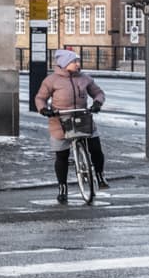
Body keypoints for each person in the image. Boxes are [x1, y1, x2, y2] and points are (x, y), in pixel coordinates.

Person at [34, 47, 107, 204]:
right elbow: (40, 98)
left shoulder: (84, 78)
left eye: (78, 61)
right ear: (65, 63)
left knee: (96, 148)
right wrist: (44, 110)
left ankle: (100, 176)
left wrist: (97, 103)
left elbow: (99, 93)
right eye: (74, 61)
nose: (78, 64)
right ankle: (62, 187)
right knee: (61, 156)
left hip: (83, 118)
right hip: (60, 121)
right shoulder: (51, 80)